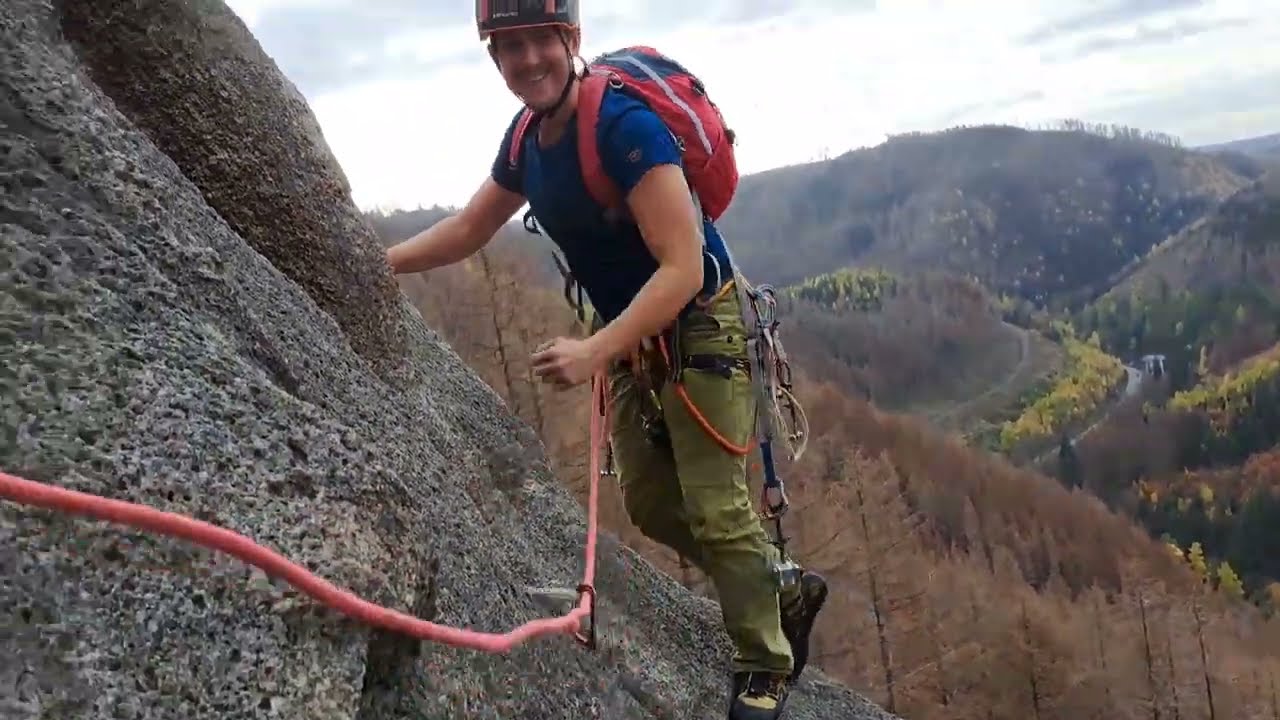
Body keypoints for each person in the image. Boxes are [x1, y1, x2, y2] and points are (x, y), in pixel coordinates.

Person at [385, 2, 827, 717]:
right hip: (631, 335)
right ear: (493, 56)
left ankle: (764, 664)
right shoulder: (528, 138)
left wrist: (595, 350)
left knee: (717, 509)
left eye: (539, 42)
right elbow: (470, 227)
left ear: (571, 40)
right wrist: (377, 262)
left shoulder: (623, 128)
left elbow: (682, 267)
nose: (527, 60)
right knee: (652, 505)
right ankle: (777, 584)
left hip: (700, 326)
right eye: (508, 47)